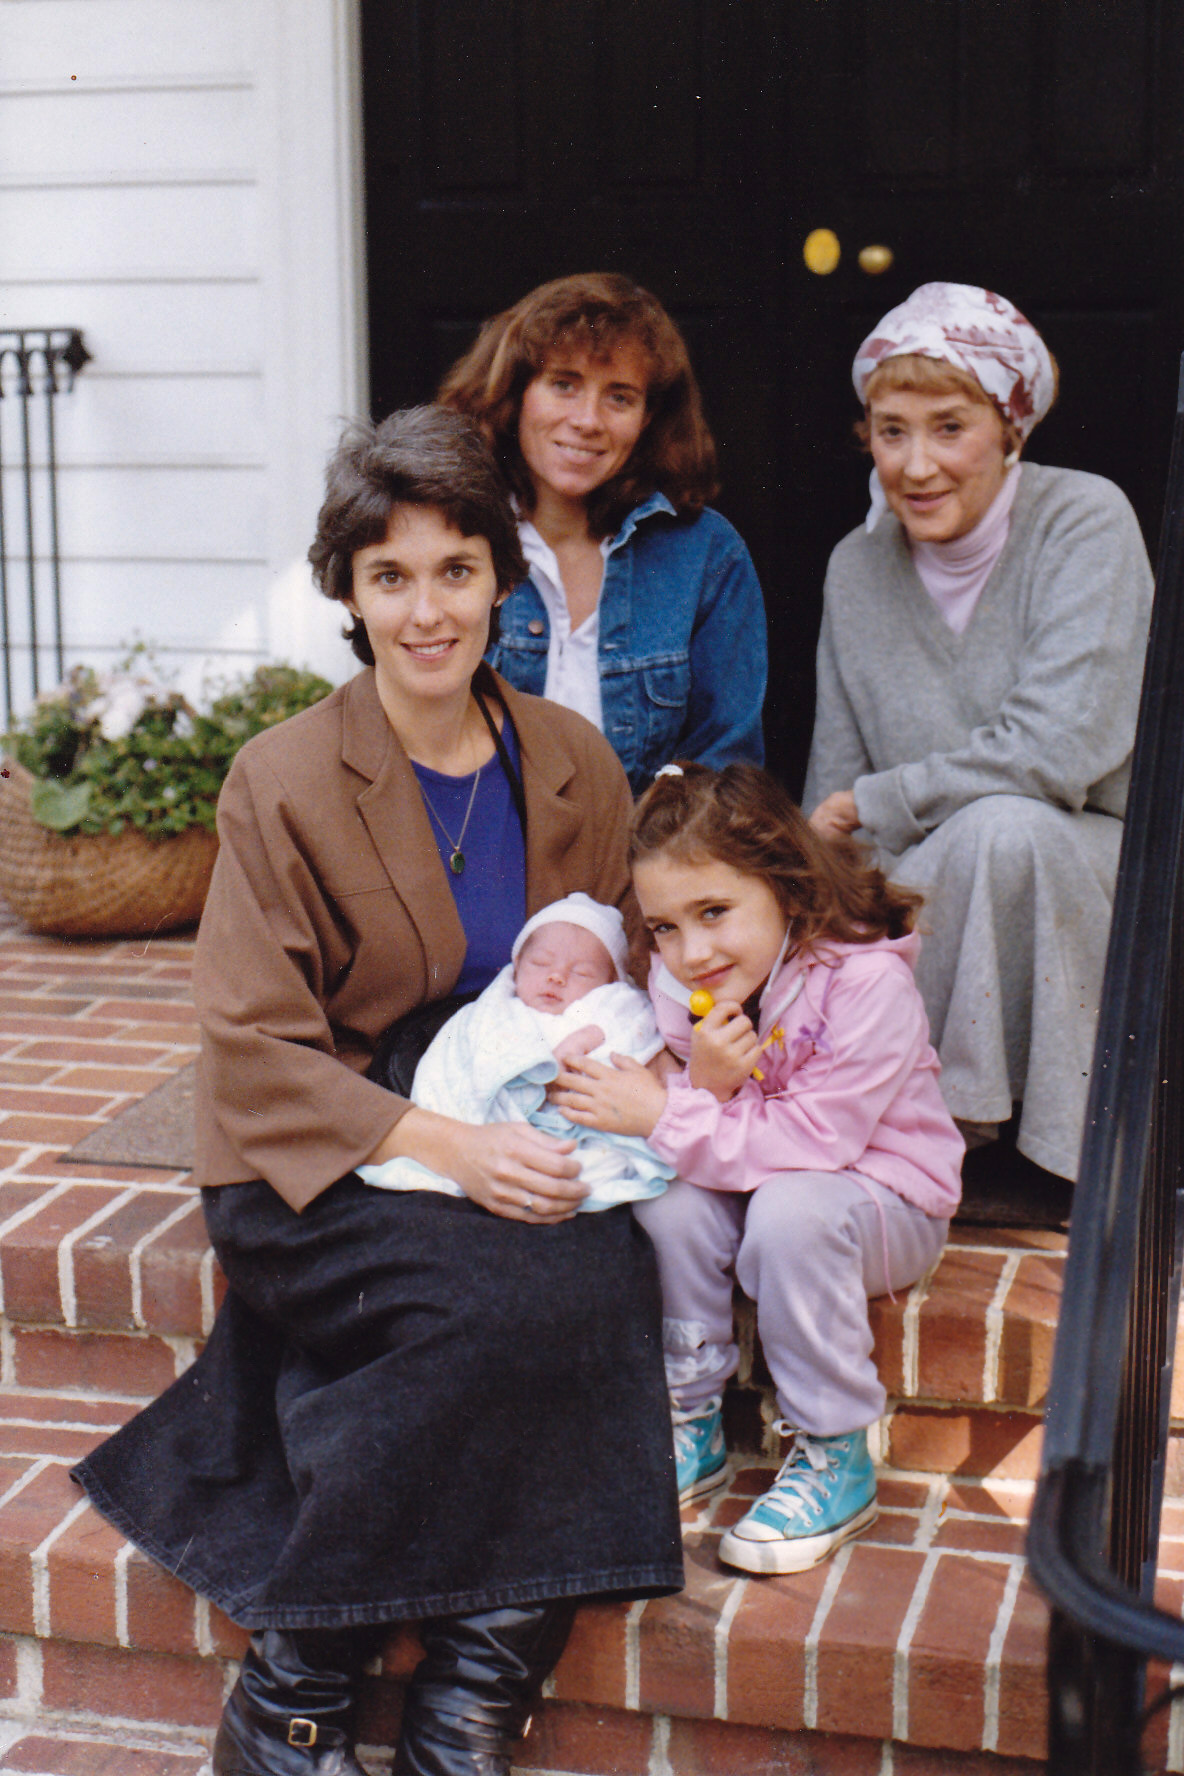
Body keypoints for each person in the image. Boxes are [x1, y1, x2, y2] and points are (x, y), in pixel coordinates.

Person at [71, 407, 684, 1776]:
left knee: (599, 1277)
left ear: (501, 578)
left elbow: (625, 972)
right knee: (492, 1310)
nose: (427, 610)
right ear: (347, 591)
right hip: (326, 1144)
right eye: (390, 575)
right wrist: (446, 1149)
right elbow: (249, 1041)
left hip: (516, 1115)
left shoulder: (571, 761)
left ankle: (464, 1712)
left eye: (456, 569)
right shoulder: (282, 777)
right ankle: (292, 1696)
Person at [553, 761, 963, 1574]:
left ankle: (835, 1449)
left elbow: (817, 1141)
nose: (692, 951)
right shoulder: (685, 984)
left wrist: (669, 1109)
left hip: (882, 1197)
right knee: (668, 1202)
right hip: (763, 1183)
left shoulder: (866, 984)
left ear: (786, 886)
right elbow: (700, 1127)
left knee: (789, 1213)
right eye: (666, 927)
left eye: (714, 912)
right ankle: (690, 1418)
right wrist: (698, 1086)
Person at [804, 282, 1153, 1181]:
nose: (917, 465)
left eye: (949, 428)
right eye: (892, 431)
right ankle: (913, 1138)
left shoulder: (1084, 521)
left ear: (1010, 429)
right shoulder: (855, 567)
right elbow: (830, 801)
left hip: (1084, 865)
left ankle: (985, 1149)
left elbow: (1058, 749)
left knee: (1006, 830)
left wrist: (881, 800)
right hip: (923, 890)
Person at [438, 271, 768, 792]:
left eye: (619, 397)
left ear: (648, 417)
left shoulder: (706, 554)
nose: (588, 420)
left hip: (650, 842)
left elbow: (724, 765)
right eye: (564, 384)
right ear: (517, 392)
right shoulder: (451, 537)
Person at [358, 892, 674, 1211]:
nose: (556, 976)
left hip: (584, 1134)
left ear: (611, 982)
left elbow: (632, 1025)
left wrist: (588, 1038)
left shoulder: (608, 1011)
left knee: (592, 1169)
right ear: (518, 965)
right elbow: (454, 1071)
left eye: (582, 973)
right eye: (540, 963)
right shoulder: (492, 1015)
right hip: (490, 1136)